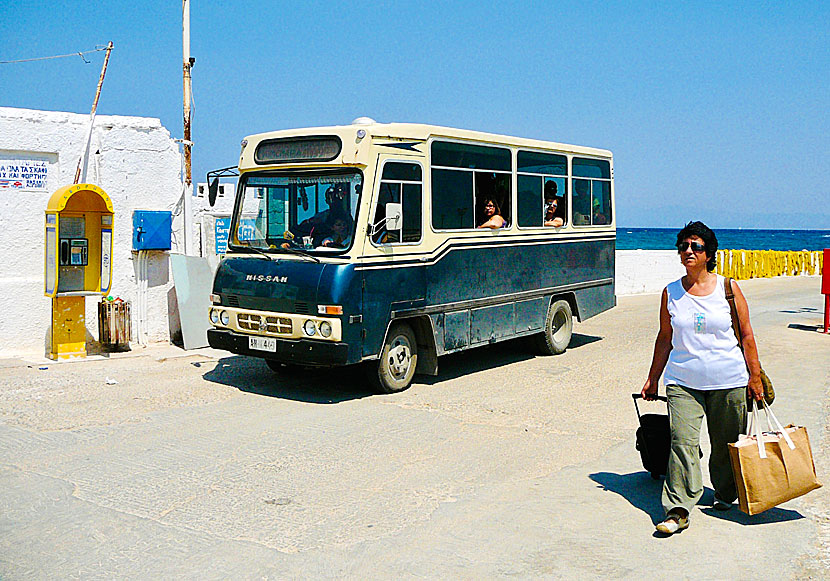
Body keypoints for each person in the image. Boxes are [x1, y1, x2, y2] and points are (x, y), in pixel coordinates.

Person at [641, 221, 763, 535]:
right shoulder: (671, 292)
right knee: (682, 442)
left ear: (709, 253)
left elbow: (747, 335)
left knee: (726, 444)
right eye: (683, 246)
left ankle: (725, 493)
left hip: (729, 380)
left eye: (696, 246)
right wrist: (653, 378)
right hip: (683, 381)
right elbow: (664, 338)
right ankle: (678, 509)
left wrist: (755, 376)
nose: (688, 251)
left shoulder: (728, 288)